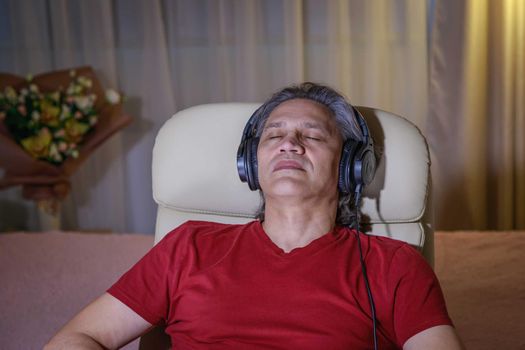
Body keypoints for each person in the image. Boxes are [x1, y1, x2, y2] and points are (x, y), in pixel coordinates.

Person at [45, 83, 463, 349]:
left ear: (352, 166)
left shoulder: (394, 265)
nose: (289, 145)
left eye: (313, 135)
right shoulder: (189, 245)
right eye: (274, 135)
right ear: (250, 162)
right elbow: (79, 337)